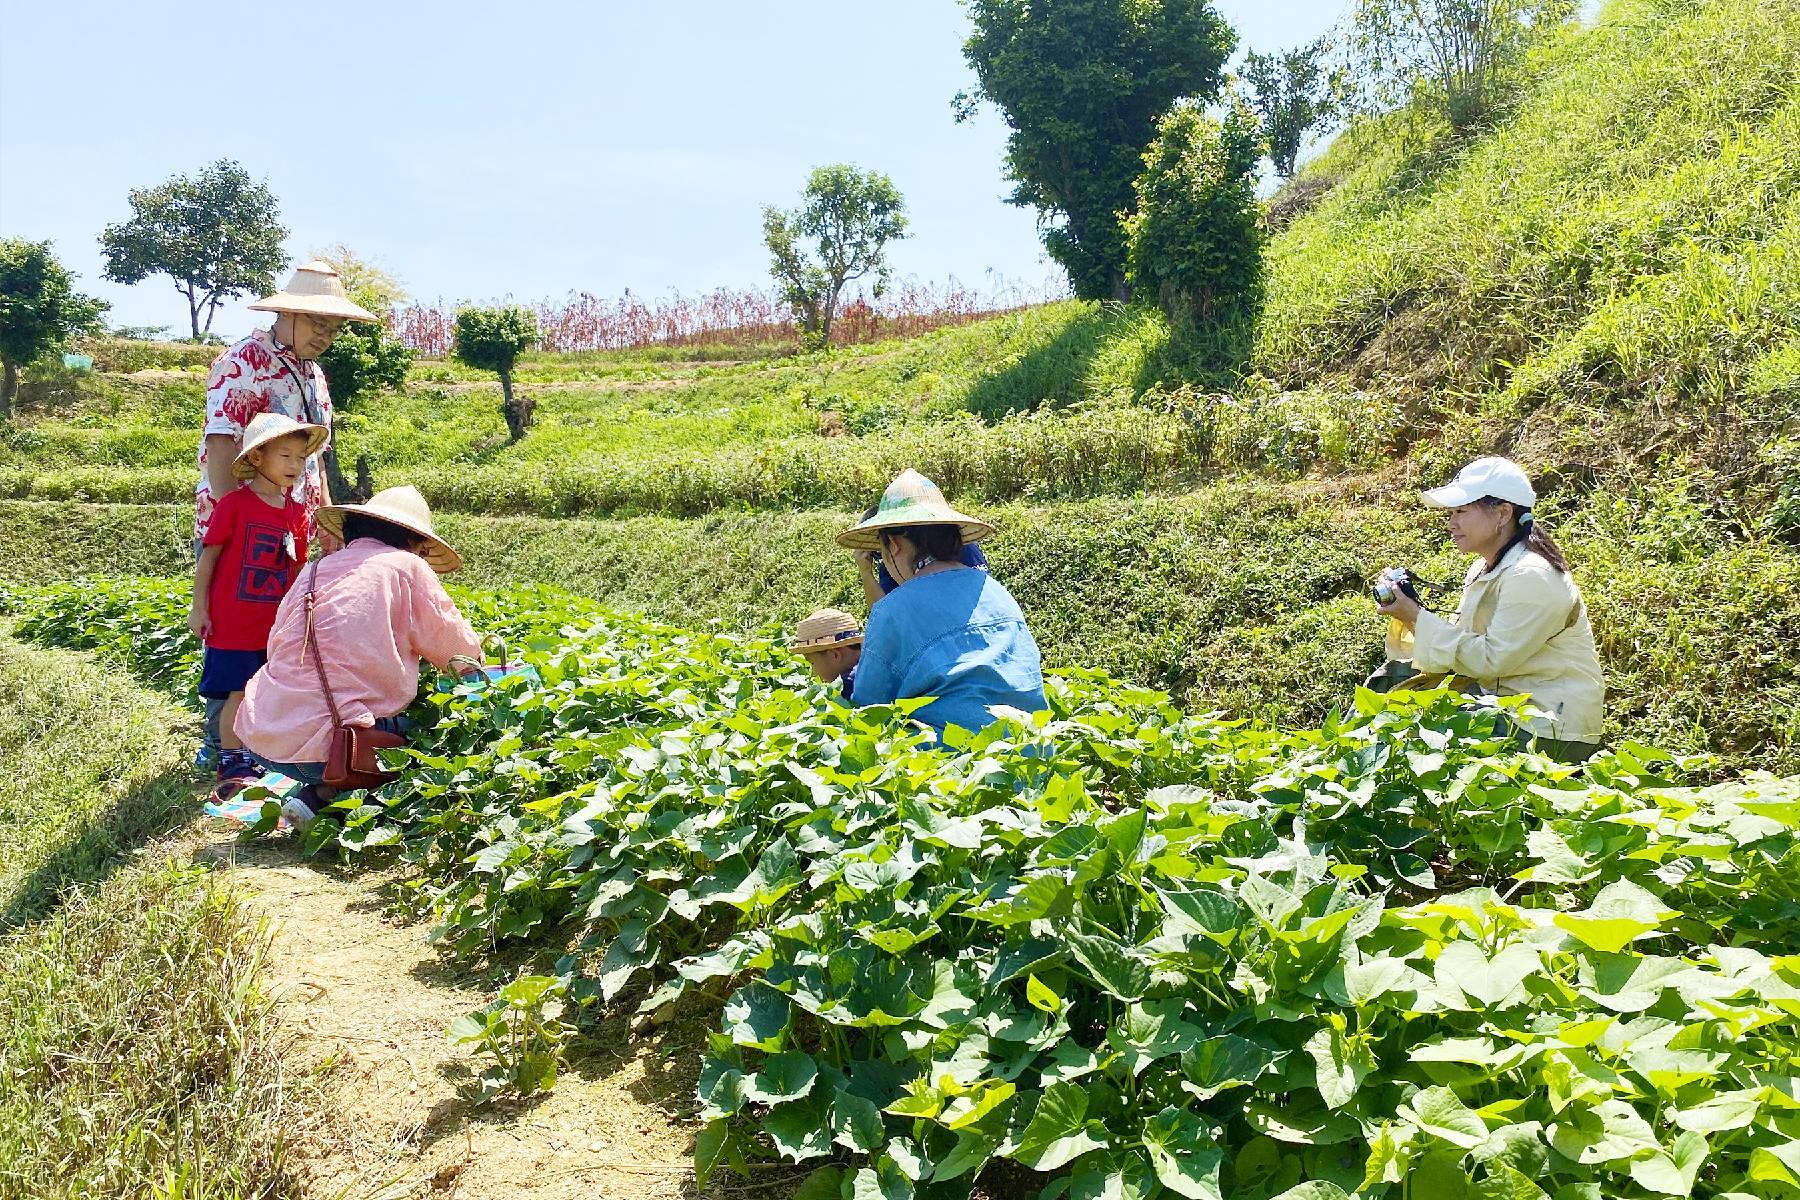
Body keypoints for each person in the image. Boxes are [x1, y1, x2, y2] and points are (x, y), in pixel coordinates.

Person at [236, 486, 482, 823]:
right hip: (336, 745)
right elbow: (461, 657)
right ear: (413, 542)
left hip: (264, 732)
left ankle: (319, 794)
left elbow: (277, 644)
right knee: (432, 731)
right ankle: (338, 796)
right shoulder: (406, 567)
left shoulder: (314, 570)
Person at [1376, 456, 1605, 762]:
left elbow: (1489, 660)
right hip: (1504, 706)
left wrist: (1416, 617)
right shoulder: (1484, 569)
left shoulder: (1531, 574)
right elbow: (1464, 648)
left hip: (1549, 727)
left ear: (1503, 512)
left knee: (1418, 733)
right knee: (1393, 680)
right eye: (1450, 513)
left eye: (1461, 511)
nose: (1451, 523)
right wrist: (1412, 612)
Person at [838, 470, 1046, 741]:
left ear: (894, 544)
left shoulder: (893, 609)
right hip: (1032, 754)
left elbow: (869, 708)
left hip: (955, 766)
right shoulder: (997, 592)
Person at [188, 413, 325, 800]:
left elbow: (298, 568)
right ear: (258, 458)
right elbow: (209, 559)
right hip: (233, 622)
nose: (295, 466)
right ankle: (231, 760)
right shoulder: (234, 505)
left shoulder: (298, 513)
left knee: (263, 690)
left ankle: (256, 755)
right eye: (286, 456)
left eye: (301, 460)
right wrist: (200, 608)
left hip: (272, 625)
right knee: (236, 691)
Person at [853, 503, 990, 607]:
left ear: (893, 543)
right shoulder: (889, 567)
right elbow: (884, 614)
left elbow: (886, 621)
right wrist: (866, 573)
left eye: (880, 547)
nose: (883, 556)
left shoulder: (960, 546)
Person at [792, 609, 863, 696]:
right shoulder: (874, 668)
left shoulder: (847, 688)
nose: (813, 673)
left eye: (812, 663)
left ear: (835, 655)